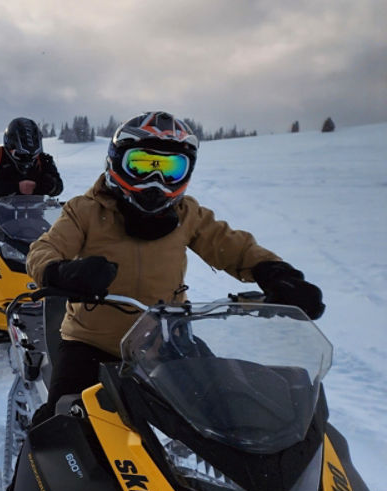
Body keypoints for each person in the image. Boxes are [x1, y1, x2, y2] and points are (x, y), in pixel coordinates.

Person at [26, 110, 325, 420]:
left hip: (166, 340)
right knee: (59, 426)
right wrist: (60, 272)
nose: (156, 182)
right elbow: (44, 249)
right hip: (91, 343)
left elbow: (232, 246)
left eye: (171, 169)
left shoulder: (186, 213)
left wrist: (275, 272)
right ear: (116, 163)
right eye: (141, 165)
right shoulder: (85, 210)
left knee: (227, 409)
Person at [0, 117, 64, 239]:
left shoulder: (44, 160)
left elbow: (57, 186)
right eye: (22, 155)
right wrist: (15, 187)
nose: (28, 161)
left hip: (35, 225)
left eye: (33, 156)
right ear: (9, 145)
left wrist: (41, 186)